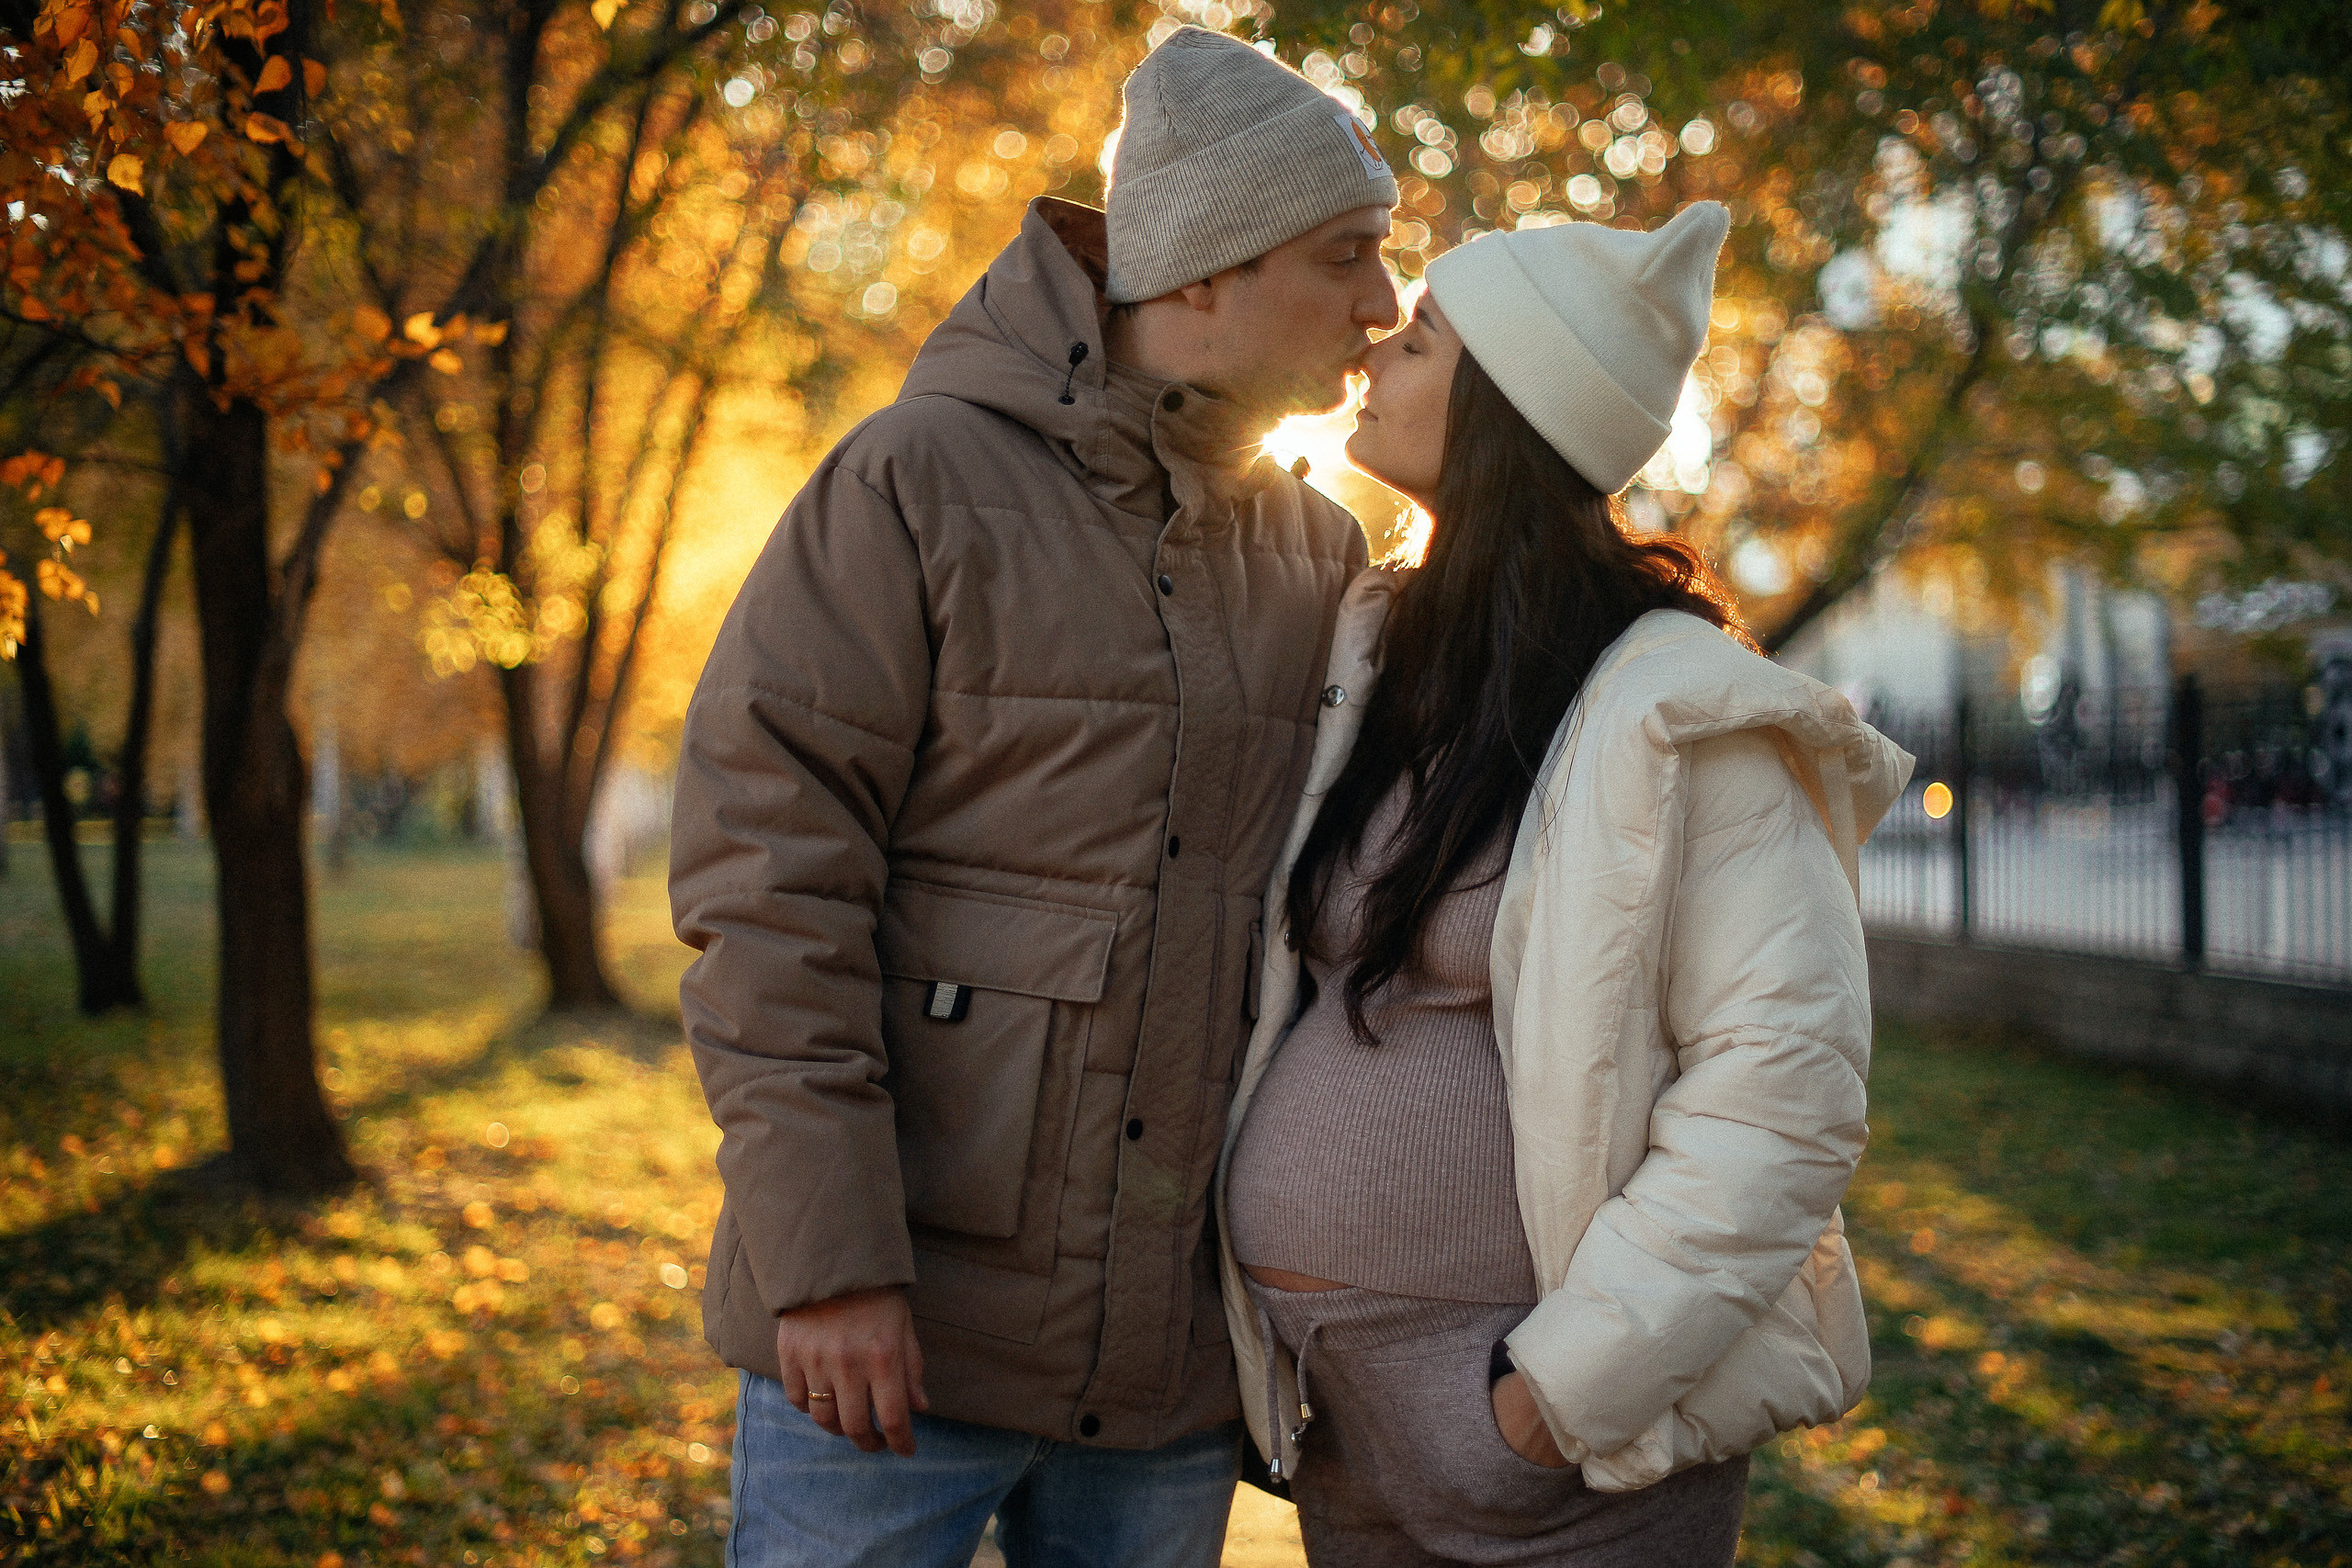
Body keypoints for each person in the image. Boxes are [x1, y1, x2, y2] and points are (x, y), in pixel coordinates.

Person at [667, 26, 1401, 1568]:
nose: (1384, 307)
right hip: (889, 1353)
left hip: (1163, 1381)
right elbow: (764, 885)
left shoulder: (1320, 554)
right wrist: (829, 1269)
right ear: (1201, 271)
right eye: (1347, 256)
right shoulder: (912, 485)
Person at [1215, 203, 1913, 1565]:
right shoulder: (1375, 651)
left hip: (1555, 1460)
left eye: (1417, 343)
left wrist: (1550, 1402)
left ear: (1506, 407)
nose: (1371, 358)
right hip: (1342, 1422)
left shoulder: (1688, 717)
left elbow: (1785, 1095)